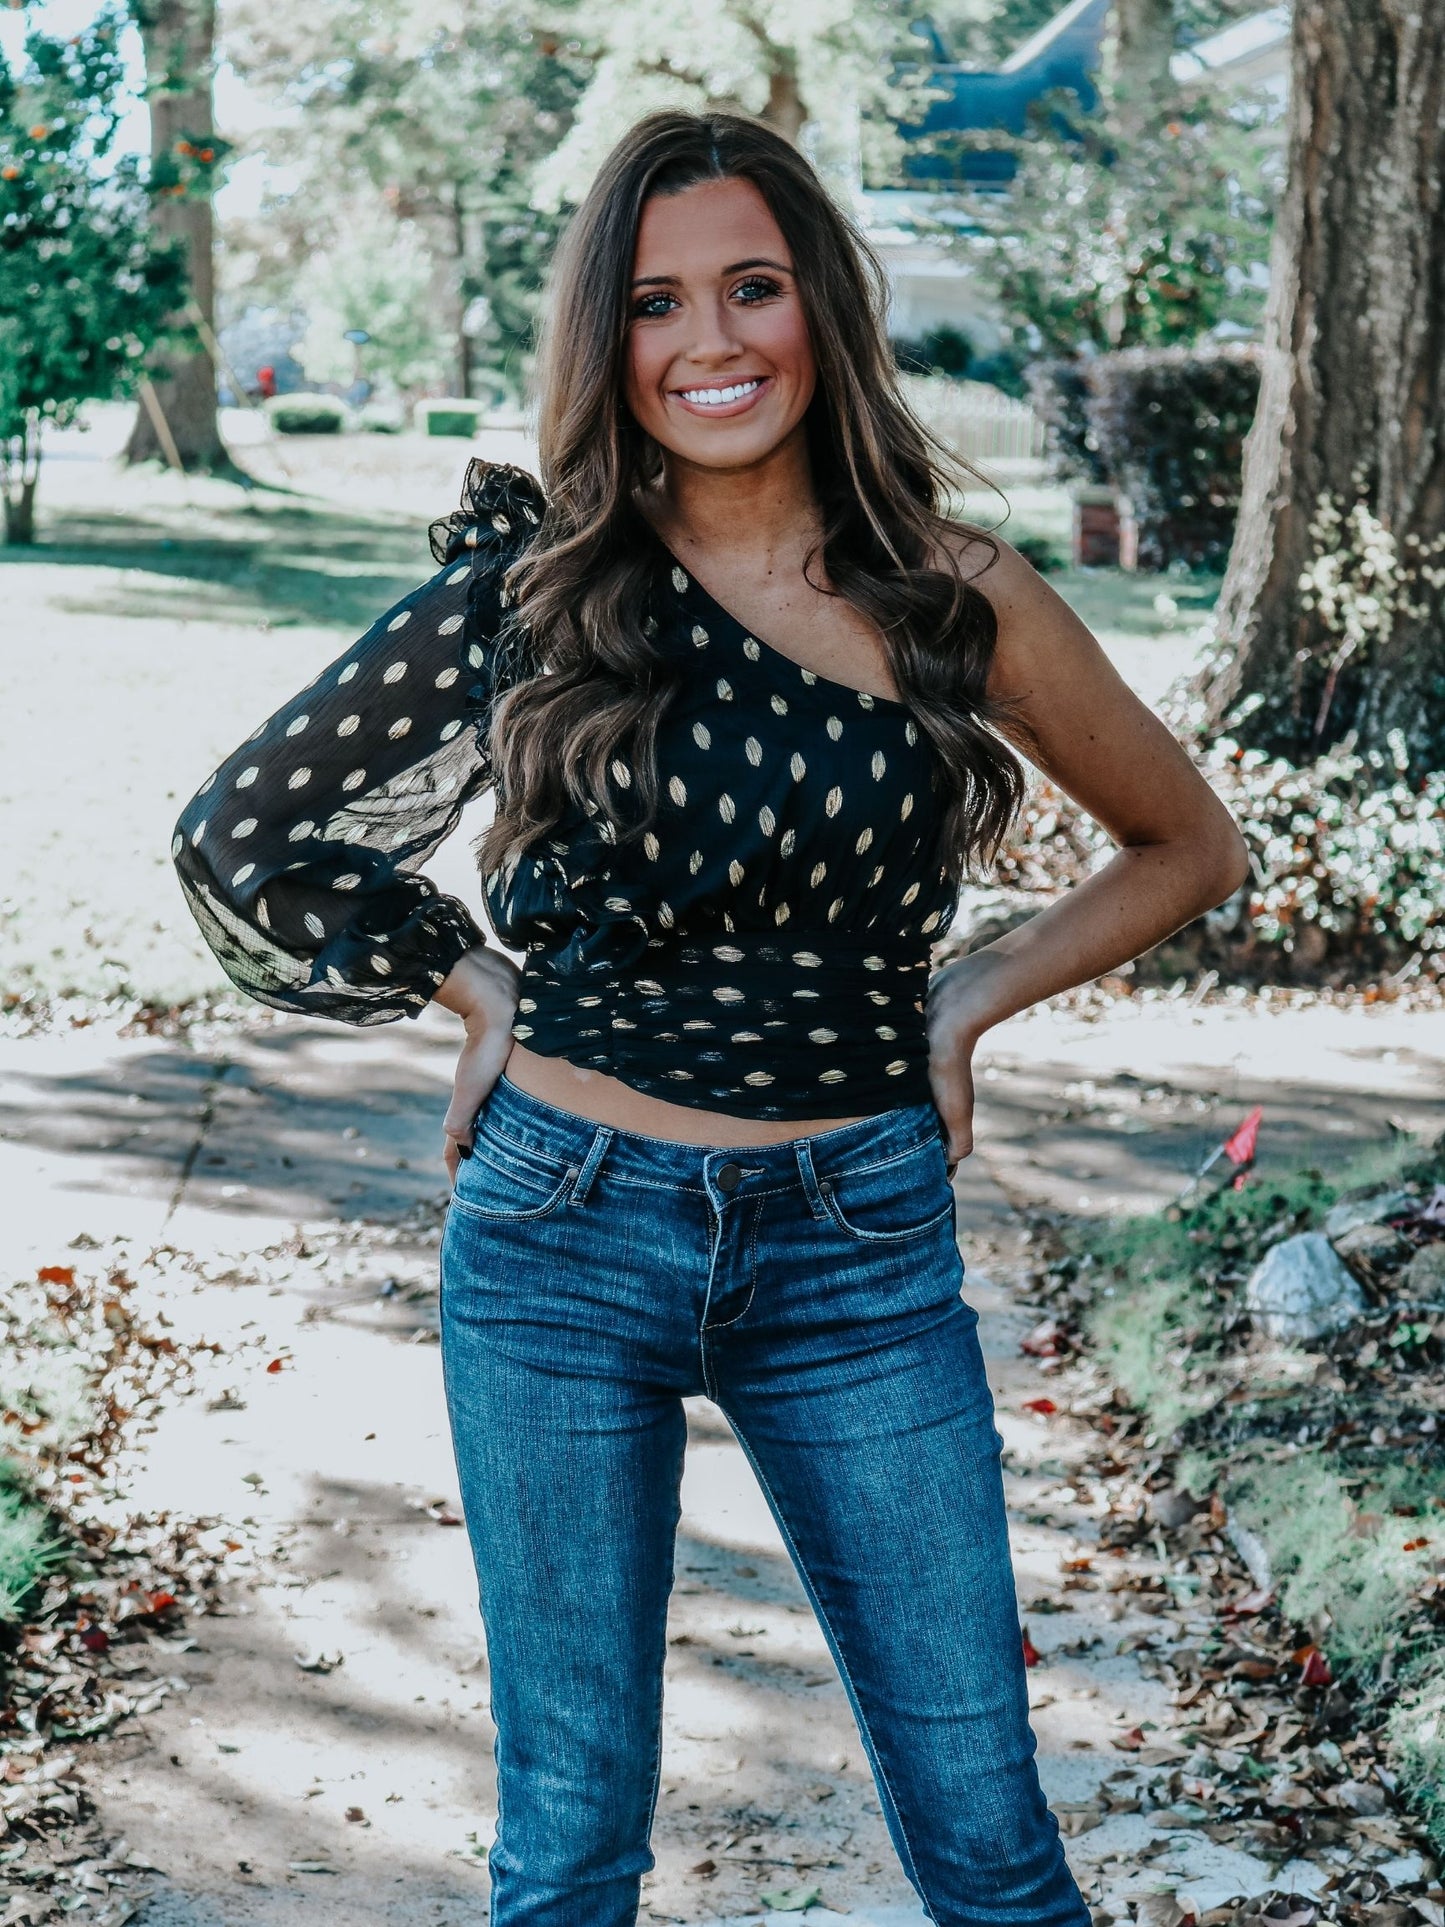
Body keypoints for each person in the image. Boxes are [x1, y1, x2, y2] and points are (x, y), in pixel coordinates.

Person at [171, 110, 1248, 1927]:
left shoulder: (951, 598)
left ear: (818, 307)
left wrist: (973, 991)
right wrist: (472, 977)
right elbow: (243, 832)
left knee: (993, 1845)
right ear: (611, 346)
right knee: (570, 1851)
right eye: (658, 304)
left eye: (751, 286)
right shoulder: (537, 594)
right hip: (558, 1241)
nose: (711, 340)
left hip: (857, 1244)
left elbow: (1185, 845)